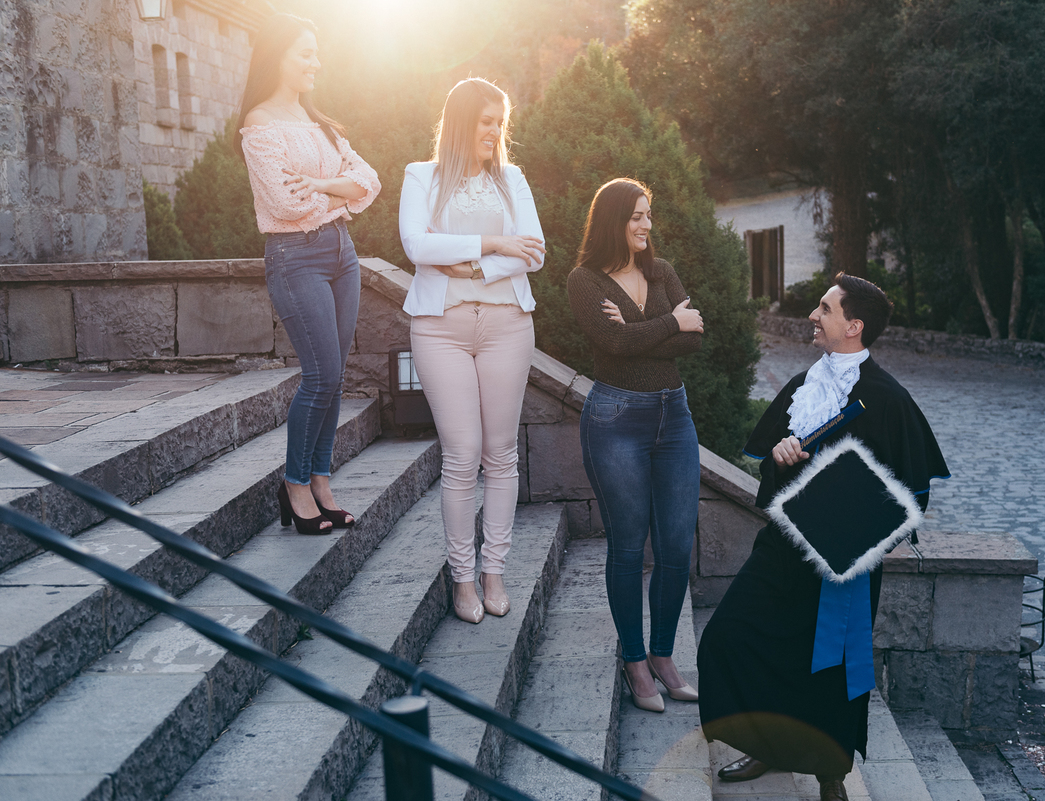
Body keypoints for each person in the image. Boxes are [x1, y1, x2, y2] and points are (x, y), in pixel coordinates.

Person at [698, 273, 949, 801]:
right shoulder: (803, 388)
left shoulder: (889, 400)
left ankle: (831, 774)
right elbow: (771, 478)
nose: (813, 316)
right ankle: (767, 743)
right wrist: (781, 457)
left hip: (843, 563)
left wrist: (850, 526)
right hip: (784, 550)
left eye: (824, 309)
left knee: (828, 667)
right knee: (733, 638)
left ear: (853, 326)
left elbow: (912, 499)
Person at [397, 78, 546, 624]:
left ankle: (494, 573)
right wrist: (493, 242)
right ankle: (463, 580)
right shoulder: (421, 176)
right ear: (462, 121)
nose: (495, 131)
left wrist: (476, 265)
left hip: (508, 324)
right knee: (461, 454)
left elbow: (535, 251)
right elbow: (417, 245)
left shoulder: (512, 178)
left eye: (500, 122)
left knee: (500, 453)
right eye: (486, 120)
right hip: (440, 329)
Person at [236, 13, 381, 536]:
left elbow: (371, 181)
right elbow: (284, 202)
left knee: (336, 377)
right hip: (295, 258)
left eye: (317, 52)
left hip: (343, 253)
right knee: (320, 376)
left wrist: (320, 183)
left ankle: (321, 482)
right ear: (278, 56)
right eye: (305, 53)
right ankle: (295, 486)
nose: (316, 62)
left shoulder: (320, 123)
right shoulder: (259, 125)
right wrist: (337, 186)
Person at [567, 178, 705, 713]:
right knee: (628, 544)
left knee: (676, 545)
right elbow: (615, 345)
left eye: (649, 215)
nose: (646, 225)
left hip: (675, 418)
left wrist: (643, 329)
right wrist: (670, 321)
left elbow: (694, 341)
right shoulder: (584, 281)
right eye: (636, 217)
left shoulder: (661, 271)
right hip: (615, 419)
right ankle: (634, 660)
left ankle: (664, 656)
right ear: (612, 221)